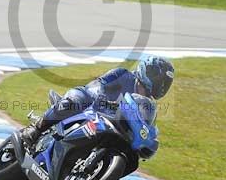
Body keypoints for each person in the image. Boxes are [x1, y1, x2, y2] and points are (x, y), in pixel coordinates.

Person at [19, 56, 175, 146]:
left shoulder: (146, 104)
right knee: (74, 101)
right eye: (158, 78)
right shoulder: (123, 75)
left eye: (164, 83)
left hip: (109, 127)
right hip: (90, 103)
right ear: (147, 71)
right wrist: (103, 98)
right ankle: (37, 128)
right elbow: (97, 85)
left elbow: (144, 124)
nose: (160, 84)